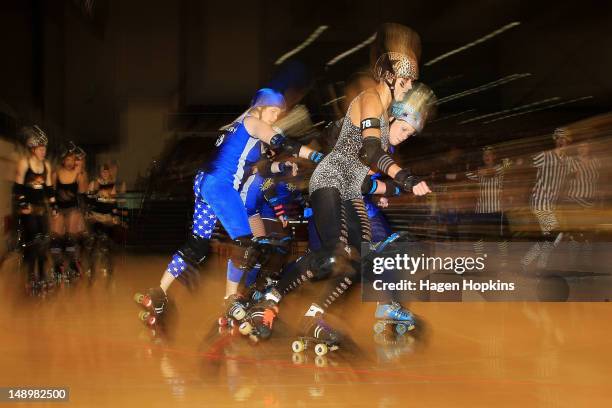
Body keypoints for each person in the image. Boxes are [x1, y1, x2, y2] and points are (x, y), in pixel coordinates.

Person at [257, 24, 432, 347]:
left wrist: (395, 190)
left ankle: (313, 317)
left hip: (350, 186)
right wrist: (404, 177)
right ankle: (268, 298)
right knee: (331, 254)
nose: (408, 89)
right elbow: (369, 151)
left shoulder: (382, 115)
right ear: (391, 78)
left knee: (357, 262)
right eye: (405, 82)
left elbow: (364, 177)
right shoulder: (370, 100)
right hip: (330, 180)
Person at [134, 88, 323, 326]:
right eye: (273, 111)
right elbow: (283, 144)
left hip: (204, 183)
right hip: (220, 186)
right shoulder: (253, 121)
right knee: (245, 243)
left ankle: (158, 292)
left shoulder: (238, 128)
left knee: (198, 244)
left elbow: (258, 169)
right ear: (260, 107)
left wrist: (283, 168)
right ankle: (230, 300)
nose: (276, 117)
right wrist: (317, 157)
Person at [13, 126, 55, 294]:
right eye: (41, 148)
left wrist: (54, 206)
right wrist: (23, 204)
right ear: (33, 149)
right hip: (28, 209)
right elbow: (18, 188)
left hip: (41, 209)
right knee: (34, 242)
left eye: (45, 148)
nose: (44, 151)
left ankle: (43, 274)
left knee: (44, 242)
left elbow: (49, 189)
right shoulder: (24, 163)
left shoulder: (47, 166)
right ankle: (31, 275)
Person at [49, 142, 89, 283]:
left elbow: (83, 193)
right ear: (63, 160)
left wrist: (82, 173)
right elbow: (51, 192)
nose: (70, 162)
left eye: (72, 159)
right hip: (59, 208)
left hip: (73, 208)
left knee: (71, 239)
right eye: (67, 159)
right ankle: (57, 265)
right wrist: (53, 208)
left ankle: (73, 265)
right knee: (55, 239)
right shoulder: (56, 173)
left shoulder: (78, 175)